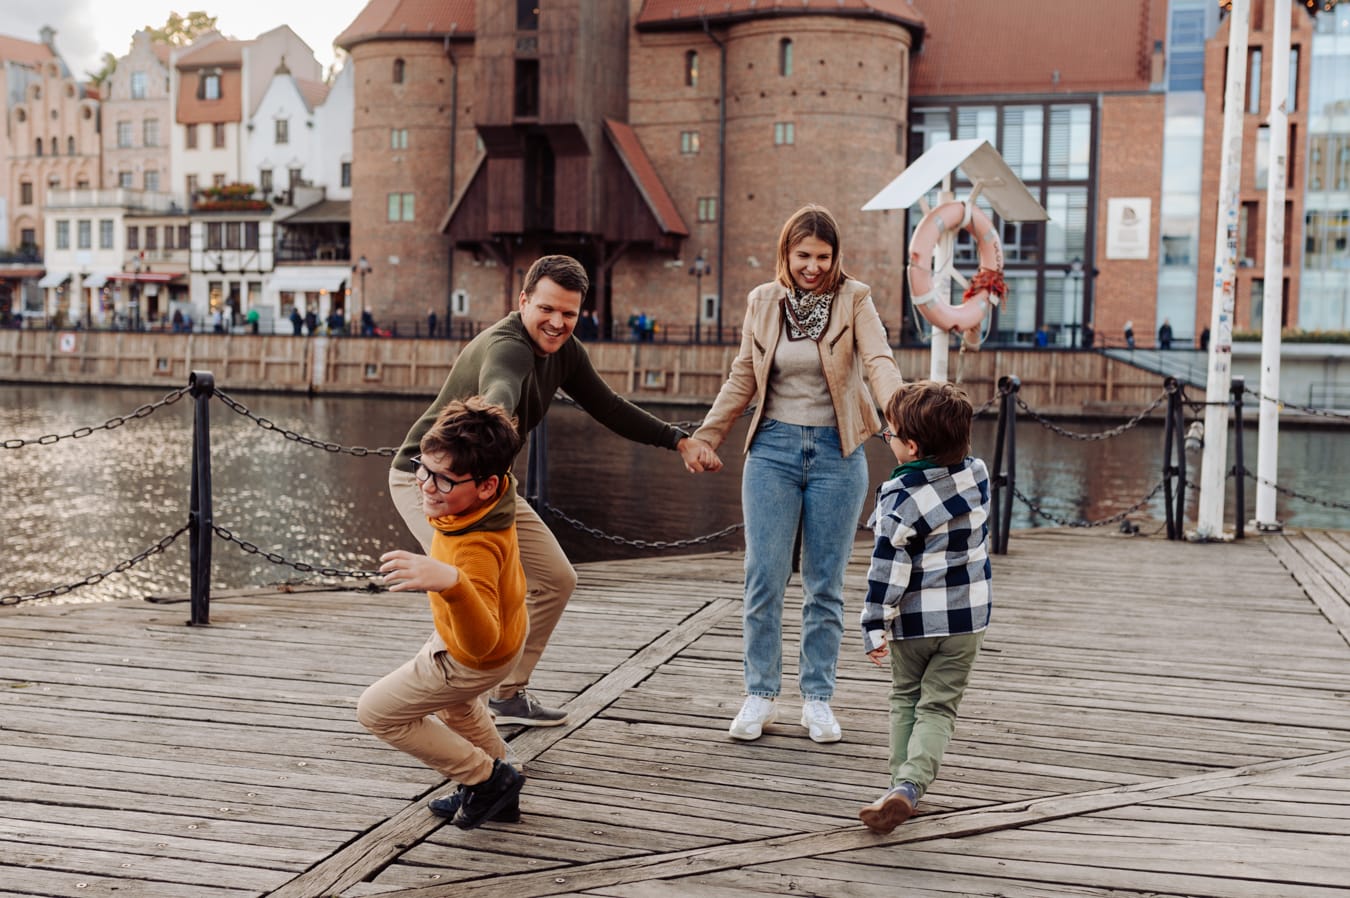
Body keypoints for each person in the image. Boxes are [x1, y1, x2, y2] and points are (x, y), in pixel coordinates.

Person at [389, 254, 720, 727]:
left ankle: (507, 694)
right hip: (430, 480)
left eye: (569, 313)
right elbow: (500, 387)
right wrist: (495, 418)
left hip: (488, 483)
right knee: (466, 587)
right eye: (546, 309)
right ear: (522, 301)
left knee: (557, 580)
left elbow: (607, 405)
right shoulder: (509, 348)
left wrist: (678, 439)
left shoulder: (565, 352)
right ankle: (432, 701)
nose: (557, 322)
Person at [690, 204, 904, 745]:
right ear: (786, 253)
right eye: (803, 255)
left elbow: (878, 360)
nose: (813, 266)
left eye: (823, 257)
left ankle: (818, 699)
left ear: (837, 258)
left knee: (824, 584)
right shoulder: (763, 302)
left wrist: (899, 416)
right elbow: (744, 374)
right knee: (763, 577)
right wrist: (708, 435)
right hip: (772, 450)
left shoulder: (855, 299)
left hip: (838, 452)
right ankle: (760, 692)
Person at [359, 397, 529, 830]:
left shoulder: (474, 548)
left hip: (474, 654)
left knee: (377, 712)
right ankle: (497, 793)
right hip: (503, 642)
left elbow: (481, 641)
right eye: (423, 468)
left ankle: (487, 779)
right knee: (458, 710)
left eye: (445, 480)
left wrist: (450, 583)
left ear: (488, 485)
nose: (427, 486)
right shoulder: (488, 501)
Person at [858, 380, 991, 834]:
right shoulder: (978, 475)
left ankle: (899, 785)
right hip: (966, 621)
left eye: (889, 434)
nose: (887, 439)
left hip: (914, 623)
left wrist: (875, 625)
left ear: (911, 446)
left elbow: (887, 567)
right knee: (939, 708)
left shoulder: (898, 497)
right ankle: (911, 788)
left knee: (905, 699)